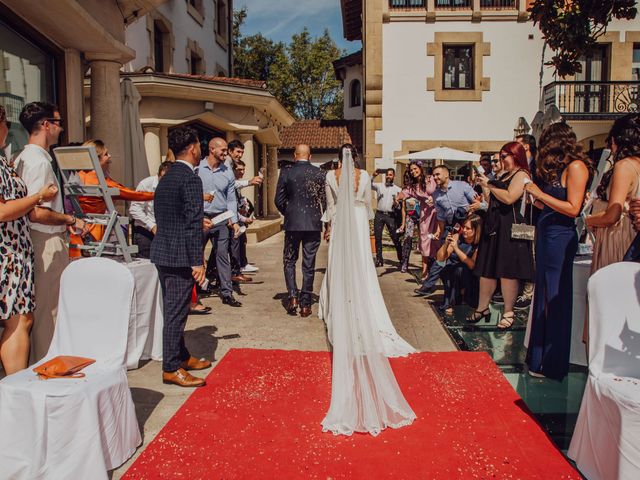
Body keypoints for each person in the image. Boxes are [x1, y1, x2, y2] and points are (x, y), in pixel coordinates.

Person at [319, 146, 416, 436]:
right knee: (361, 263)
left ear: (339, 158)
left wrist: (329, 226)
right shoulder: (365, 177)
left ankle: (339, 303)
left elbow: (331, 205)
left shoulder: (331, 176)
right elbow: (368, 205)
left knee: (339, 264)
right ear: (358, 159)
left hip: (341, 221)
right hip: (360, 222)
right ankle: (364, 301)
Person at [14, 101, 88, 364]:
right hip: (45, 239)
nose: (61, 128)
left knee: (39, 310)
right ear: (46, 125)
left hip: (34, 239)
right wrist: (70, 219)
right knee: (48, 311)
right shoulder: (38, 162)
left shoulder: (23, 158)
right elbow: (37, 211)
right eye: (58, 122)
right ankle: (46, 368)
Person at [524, 122, 591, 380]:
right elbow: (551, 206)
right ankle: (538, 359)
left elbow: (573, 209)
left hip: (560, 238)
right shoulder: (559, 170)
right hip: (547, 235)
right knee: (543, 294)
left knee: (555, 298)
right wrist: (537, 199)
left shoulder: (576, 167)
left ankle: (552, 363)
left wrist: (540, 193)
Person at [0, 105, 58, 374]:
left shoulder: (10, 159)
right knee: (24, 319)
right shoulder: (32, 160)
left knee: (23, 319)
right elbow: (8, 211)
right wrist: (40, 197)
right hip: (10, 250)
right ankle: (22, 384)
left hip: (16, 248)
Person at [151, 126, 211, 387]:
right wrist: (197, 260)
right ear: (192, 148)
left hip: (164, 251)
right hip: (179, 256)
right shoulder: (190, 179)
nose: (200, 150)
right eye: (199, 145)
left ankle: (181, 356)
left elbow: (174, 216)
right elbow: (191, 221)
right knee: (176, 313)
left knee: (175, 309)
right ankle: (171, 367)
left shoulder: (166, 176)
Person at [471, 142, 534, 329]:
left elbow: (509, 197)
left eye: (504, 155)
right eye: (500, 155)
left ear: (515, 156)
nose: (501, 159)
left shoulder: (521, 174)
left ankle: (508, 311)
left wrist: (489, 183)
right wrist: (485, 186)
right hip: (495, 225)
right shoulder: (502, 174)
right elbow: (493, 200)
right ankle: (482, 307)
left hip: (510, 227)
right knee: (487, 269)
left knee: (508, 272)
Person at [70, 139, 155, 256]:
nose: (109, 156)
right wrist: (155, 195)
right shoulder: (100, 180)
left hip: (80, 227)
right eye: (106, 154)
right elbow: (131, 194)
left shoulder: (78, 176)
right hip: (97, 229)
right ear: (96, 158)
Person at [275, 144, 326, 317]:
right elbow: (324, 201)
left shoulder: (286, 172)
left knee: (289, 260)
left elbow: (278, 199)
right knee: (308, 264)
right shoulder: (320, 173)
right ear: (310, 156)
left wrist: (288, 212)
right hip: (313, 224)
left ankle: (292, 297)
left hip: (293, 224)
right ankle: (305, 305)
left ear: (295, 155)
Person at [587, 113, 640, 272]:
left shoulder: (624, 165)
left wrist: (587, 220)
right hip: (631, 234)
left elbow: (612, 216)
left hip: (616, 236)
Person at [198, 137, 243, 307]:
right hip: (200, 218)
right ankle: (195, 290)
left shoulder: (228, 172)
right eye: (223, 150)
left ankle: (226, 293)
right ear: (212, 149)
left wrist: (234, 220)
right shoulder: (197, 169)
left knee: (223, 255)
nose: (226, 153)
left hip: (221, 218)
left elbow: (231, 199)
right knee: (196, 255)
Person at [415, 214, 481, 314]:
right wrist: (446, 244)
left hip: (469, 275)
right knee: (443, 266)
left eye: (468, 228)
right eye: (464, 227)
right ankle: (448, 300)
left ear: (476, 230)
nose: (464, 230)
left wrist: (457, 249)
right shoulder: (458, 236)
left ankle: (453, 302)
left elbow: (472, 265)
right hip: (452, 269)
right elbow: (441, 258)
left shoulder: (478, 245)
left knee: (458, 269)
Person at [397, 161, 438, 279]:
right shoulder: (413, 186)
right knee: (425, 241)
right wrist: (396, 199)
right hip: (425, 215)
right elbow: (402, 194)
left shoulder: (431, 179)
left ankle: (436, 269)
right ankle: (425, 271)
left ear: (420, 168)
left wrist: (434, 198)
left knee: (437, 241)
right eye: (411, 170)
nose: (413, 171)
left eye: (415, 169)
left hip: (438, 213)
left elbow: (441, 189)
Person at [129, 161, 173, 258]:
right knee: (146, 264)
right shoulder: (145, 184)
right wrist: (152, 226)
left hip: (165, 231)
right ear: (158, 175)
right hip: (145, 231)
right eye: (162, 178)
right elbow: (134, 209)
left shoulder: (173, 186)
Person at [431, 165, 478, 240]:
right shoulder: (435, 195)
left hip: (467, 226)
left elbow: (476, 201)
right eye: (433, 175)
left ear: (446, 174)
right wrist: (439, 231)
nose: (435, 177)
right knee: (445, 250)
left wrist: (471, 211)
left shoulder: (462, 185)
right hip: (451, 226)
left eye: (437, 174)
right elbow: (441, 216)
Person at [371, 167, 402, 267]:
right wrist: (373, 176)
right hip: (379, 214)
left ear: (394, 176)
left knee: (395, 237)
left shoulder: (398, 189)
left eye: (390, 175)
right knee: (378, 237)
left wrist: (397, 204)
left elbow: (401, 206)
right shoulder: (379, 186)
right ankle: (379, 259)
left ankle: (401, 259)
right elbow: (368, 185)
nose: (388, 176)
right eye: (387, 174)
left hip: (391, 216)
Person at [398, 195, 419, 273]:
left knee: (424, 240)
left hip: (421, 216)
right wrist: (403, 224)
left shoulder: (421, 189)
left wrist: (417, 203)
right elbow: (403, 209)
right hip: (410, 217)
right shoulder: (405, 192)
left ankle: (427, 266)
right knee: (407, 240)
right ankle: (405, 263)